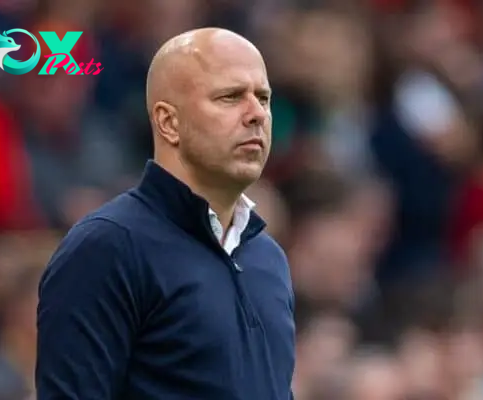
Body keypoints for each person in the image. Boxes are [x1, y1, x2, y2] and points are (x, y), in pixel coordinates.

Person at [35, 28, 296, 399]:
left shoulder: (269, 260)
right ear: (168, 122)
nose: (257, 114)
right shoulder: (108, 247)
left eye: (264, 98)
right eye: (230, 96)